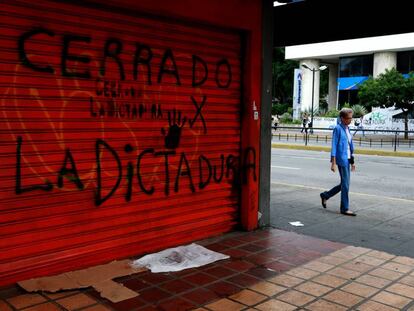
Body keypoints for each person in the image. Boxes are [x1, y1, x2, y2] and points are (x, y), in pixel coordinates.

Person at [320, 108, 357, 216]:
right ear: (342, 118)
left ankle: (325, 195)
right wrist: (333, 162)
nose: (350, 120)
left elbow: (350, 147)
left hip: (348, 158)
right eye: (348, 118)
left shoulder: (347, 129)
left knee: (344, 184)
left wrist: (353, 162)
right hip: (341, 159)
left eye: (351, 118)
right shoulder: (338, 129)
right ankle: (344, 208)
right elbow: (334, 146)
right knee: (345, 185)